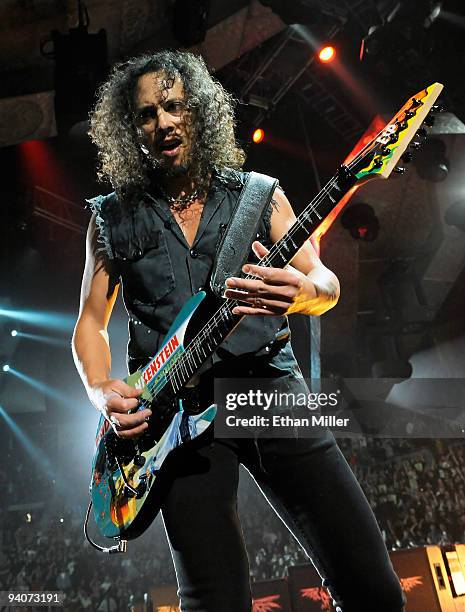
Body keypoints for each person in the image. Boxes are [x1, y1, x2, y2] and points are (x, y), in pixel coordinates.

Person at [72, 50, 406, 612]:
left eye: (173, 106)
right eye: (146, 115)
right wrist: (101, 387)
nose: (163, 123)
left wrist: (301, 293)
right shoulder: (111, 217)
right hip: (173, 418)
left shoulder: (259, 193)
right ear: (130, 131)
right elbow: (89, 321)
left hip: (268, 389)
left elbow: (324, 281)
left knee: (371, 584)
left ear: (197, 110)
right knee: (212, 599)